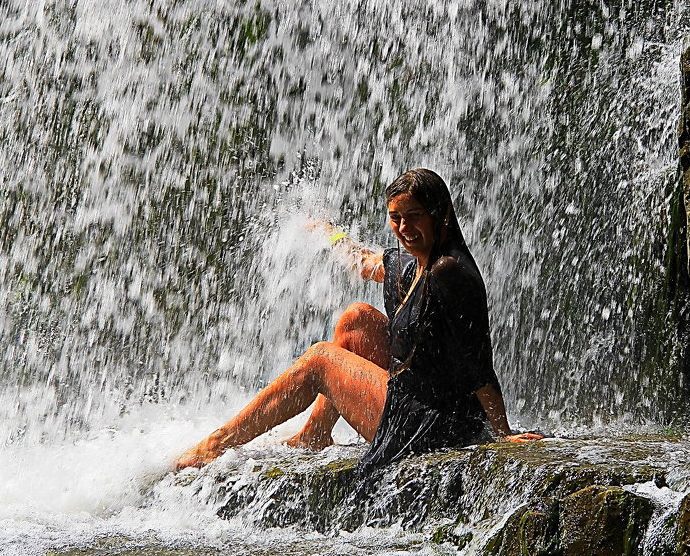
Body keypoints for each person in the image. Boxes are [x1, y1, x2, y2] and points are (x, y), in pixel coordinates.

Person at [175, 168, 543, 472]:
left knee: (321, 359)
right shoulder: (416, 261)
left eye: (414, 216)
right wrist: (329, 232)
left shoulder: (449, 271)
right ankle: (314, 434)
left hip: (431, 426)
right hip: (419, 398)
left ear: (441, 214)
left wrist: (502, 431)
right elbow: (363, 261)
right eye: (395, 217)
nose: (403, 227)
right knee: (356, 318)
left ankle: (215, 445)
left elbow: (477, 361)